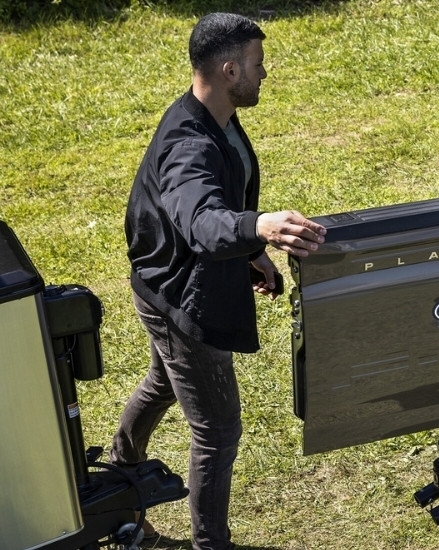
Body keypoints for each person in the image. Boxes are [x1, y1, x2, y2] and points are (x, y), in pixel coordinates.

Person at [109, 12, 327, 550]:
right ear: (229, 69)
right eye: (256, 64)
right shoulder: (189, 144)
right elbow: (202, 221)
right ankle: (212, 544)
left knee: (164, 381)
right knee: (217, 429)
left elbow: (220, 206)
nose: (264, 73)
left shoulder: (217, 116)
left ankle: (116, 472)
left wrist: (251, 252)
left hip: (172, 278)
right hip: (180, 296)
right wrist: (261, 226)